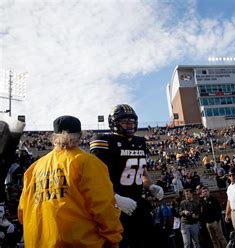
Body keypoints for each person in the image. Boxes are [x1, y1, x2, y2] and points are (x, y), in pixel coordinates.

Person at [18, 115, 122, 247]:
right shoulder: (87, 162)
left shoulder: (34, 168)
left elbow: (22, 212)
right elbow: (103, 206)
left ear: (54, 137)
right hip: (78, 243)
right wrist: (114, 238)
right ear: (80, 136)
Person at [90, 104, 164, 248]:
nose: (130, 125)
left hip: (137, 203)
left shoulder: (139, 142)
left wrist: (150, 185)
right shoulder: (104, 140)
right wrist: (114, 198)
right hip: (115, 207)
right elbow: (95, 177)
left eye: (132, 121)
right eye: (125, 121)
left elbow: (142, 171)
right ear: (113, 123)